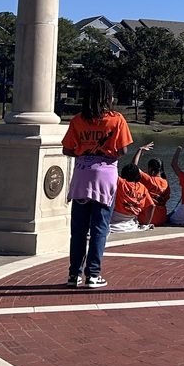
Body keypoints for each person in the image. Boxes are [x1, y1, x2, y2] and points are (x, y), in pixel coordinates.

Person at [62, 77, 133, 289]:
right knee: (99, 227)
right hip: (105, 177)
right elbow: (123, 150)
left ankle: (73, 275)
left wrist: (83, 151)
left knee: (79, 229)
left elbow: (67, 149)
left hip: (82, 176)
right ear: (107, 97)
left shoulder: (77, 120)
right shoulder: (117, 119)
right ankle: (93, 274)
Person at [109, 162, 155, 233]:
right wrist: (146, 224)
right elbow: (152, 206)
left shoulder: (120, 183)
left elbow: (111, 171)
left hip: (116, 218)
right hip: (132, 222)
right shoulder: (142, 188)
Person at [136, 146, 171, 227]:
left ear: (150, 168)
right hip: (161, 219)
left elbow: (133, 167)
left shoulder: (148, 179)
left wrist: (139, 150)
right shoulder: (166, 183)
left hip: (146, 219)